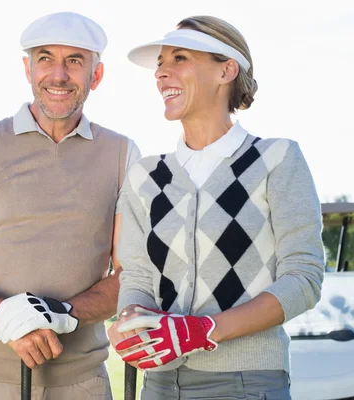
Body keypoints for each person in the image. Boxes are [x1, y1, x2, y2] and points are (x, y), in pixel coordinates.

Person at [0, 11, 140, 400]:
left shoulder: (122, 154)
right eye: (45, 58)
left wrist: (62, 315)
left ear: (96, 76)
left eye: (75, 61)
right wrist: (5, 318)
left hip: (83, 385)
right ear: (28, 69)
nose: (59, 75)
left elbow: (131, 273)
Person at [107, 15, 325, 399]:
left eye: (179, 59)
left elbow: (303, 279)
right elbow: (138, 276)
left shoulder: (275, 159)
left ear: (226, 70)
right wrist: (131, 320)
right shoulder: (145, 176)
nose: (162, 73)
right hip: (160, 384)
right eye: (160, 63)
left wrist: (205, 330)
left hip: (248, 381)